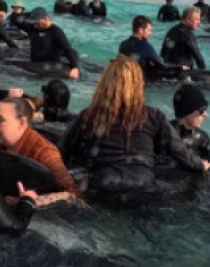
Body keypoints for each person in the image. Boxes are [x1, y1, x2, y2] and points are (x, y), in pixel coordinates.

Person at [60, 56, 208, 193]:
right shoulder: (153, 116)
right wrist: (201, 165)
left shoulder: (88, 116)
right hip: (142, 185)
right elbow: (179, 151)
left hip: (103, 185)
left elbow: (60, 153)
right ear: (138, 85)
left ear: (104, 84)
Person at [0, 96, 81, 200]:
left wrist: (36, 201)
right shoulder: (0, 148)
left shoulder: (44, 152)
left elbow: (74, 194)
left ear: (21, 123)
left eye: (0, 120)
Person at [18, 8, 81, 80]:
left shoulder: (56, 31)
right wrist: (31, 14)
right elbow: (17, 19)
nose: (35, 24)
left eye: (37, 22)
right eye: (34, 22)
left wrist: (75, 68)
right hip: (35, 67)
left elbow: (67, 49)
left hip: (50, 68)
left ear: (45, 19)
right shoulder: (33, 28)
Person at [118, 15, 182, 81]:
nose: (150, 33)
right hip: (142, 81)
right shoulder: (143, 45)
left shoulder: (123, 44)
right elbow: (162, 64)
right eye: (149, 30)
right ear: (140, 30)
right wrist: (179, 66)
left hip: (126, 79)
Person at [170, 84, 210, 161]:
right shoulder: (163, 134)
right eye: (201, 110)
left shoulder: (202, 138)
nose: (205, 114)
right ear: (187, 112)